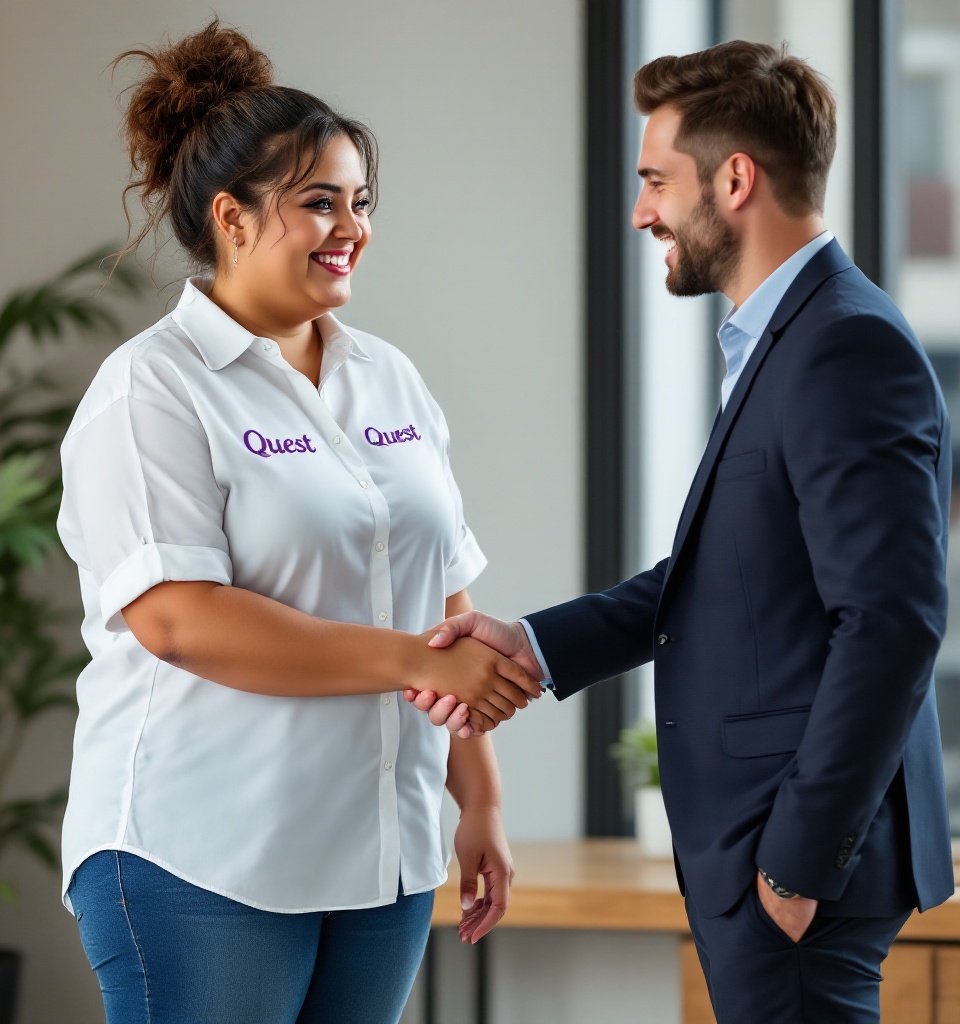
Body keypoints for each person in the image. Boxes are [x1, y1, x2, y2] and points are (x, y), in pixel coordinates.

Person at [409, 40, 955, 1023]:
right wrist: (534, 644)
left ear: (734, 179)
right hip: (768, 858)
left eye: (655, 179)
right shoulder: (784, 339)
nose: (641, 211)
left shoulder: (842, 345)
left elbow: (893, 620)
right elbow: (730, 577)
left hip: (792, 863)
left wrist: (795, 864)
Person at [57, 21, 539, 1024]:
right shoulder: (151, 389)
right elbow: (179, 619)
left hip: (379, 856)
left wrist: (480, 800)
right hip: (199, 853)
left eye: (361, 202)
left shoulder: (388, 376)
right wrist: (414, 660)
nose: (350, 226)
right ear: (232, 219)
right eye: (319, 203)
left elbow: (442, 600)